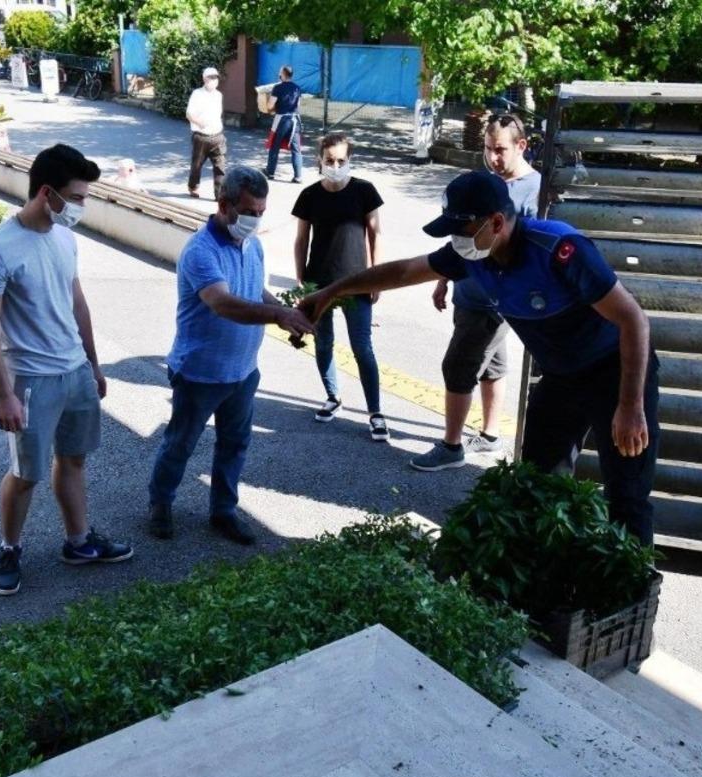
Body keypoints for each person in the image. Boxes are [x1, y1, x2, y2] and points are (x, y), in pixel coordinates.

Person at [301, 170, 658, 546]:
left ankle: (634, 593)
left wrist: (630, 405)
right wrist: (331, 292)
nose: (457, 241)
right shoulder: (472, 255)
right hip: (561, 376)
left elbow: (634, 320)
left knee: (627, 495)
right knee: (537, 484)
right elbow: (404, 271)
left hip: (617, 371)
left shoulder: (559, 250)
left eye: (462, 229)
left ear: (498, 222)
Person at [0, 144, 134, 596]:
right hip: (31, 381)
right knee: (26, 474)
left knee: (74, 460)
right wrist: (3, 394)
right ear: (47, 192)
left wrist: (94, 365)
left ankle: (78, 543)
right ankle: (10, 548)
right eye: (77, 197)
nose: (82, 205)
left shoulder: (65, 238)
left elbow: (76, 303)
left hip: (75, 371)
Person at [148, 166, 315, 544]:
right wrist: (278, 315)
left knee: (234, 444)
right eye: (250, 211)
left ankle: (223, 510)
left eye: (261, 211)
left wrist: (288, 313)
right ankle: (160, 503)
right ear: (224, 205)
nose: (256, 219)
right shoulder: (200, 251)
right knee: (181, 443)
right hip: (200, 373)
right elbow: (222, 303)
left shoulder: (251, 244)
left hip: (243, 372)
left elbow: (255, 292)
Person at [412, 114, 542, 471]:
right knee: (493, 367)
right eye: (487, 149)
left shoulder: (535, 190)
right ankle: (489, 435)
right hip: (469, 295)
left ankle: (451, 447)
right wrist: (443, 279)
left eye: (500, 150)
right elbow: (459, 241)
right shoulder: (485, 181)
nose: (493, 158)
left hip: (492, 304)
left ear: (522, 146)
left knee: (458, 367)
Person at [291, 133, 387, 440]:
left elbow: (376, 235)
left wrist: (376, 276)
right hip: (319, 282)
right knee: (323, 342)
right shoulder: (309, 196)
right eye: (329, 160)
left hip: (357, 282)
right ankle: (333, 397)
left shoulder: (364, 191)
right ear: (319, 159)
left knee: (362, 348)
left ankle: (375, 412)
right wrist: (301, 280)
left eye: (341, 161)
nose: (335, 166)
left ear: (350, 160)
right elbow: (301, 240)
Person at [185, 67, 227, 200]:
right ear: (204, 79)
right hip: (201, 137)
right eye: (211, 78)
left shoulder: (219, 95)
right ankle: (193, 187)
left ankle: (219, 194)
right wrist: (198, 122)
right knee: (196, 165)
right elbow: (189, 114)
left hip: (217, 136)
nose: (214, 80)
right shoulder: (197, 93)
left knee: (220, 166)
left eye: (215, 78)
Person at [265, 65, 303, 183]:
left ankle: (270, 172)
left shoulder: (277, 88)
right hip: (295, 120)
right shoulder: (297, 88)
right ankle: (298, 176)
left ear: (283, 74)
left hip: (282, 120)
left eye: (280, 72)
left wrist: (270, 106)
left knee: (274, 146)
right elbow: (298, 106)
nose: (279, 74)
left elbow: (270, 105)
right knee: (296, 149)